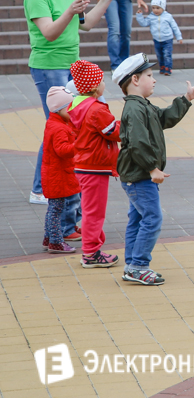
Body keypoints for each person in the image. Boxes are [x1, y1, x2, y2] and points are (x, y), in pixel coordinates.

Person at [25, 0, 121, 205]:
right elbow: (49, 32)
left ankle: (65, 182)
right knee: (59, 127)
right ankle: (40, 189)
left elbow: (86, 24)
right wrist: (70, 11)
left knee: (79, 121)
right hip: (49, 66)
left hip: (72, 66)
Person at [115, 53, 194, 286]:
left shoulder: (141, 105)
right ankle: (138, 265)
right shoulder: (135, 108)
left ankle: (132, 265)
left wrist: (186, 99)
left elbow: (163, 118)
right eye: (149, 76)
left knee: (137, 219)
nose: (154, 80)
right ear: (134, 80)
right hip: (140, 175)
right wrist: (152, 168)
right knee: (152, 218)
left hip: (136, 174)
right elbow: (138, 143)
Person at [68, 60, 121, 269]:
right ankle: (90, 252)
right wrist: (129, 123)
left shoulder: (77, 105)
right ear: (94, 86)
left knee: (91, 209)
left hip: (85, 164)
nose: (104, 84)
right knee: (94, 212)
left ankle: (94, 246)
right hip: (94, 166)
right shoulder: (96, 109)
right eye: (102, 81)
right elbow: (113, 131)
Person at [41, 86, 78, 254]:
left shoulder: (55, 123)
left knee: (53, 208)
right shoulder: (59, 128)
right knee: (56, 210)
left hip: (54, 173)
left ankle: (48, 237)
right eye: (70, 108)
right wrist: (78, 144)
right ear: (59, 109)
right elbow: (62, 150)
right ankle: (56, 242)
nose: (73, 111)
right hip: (57, 175)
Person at [134, 0, 182, 76]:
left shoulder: (168, 16)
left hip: (167, 39)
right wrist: (139, 16)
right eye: (153, 8)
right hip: (157, 40)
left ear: (163, 8)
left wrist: (179, 37)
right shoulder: (151, 17)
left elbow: (174, 27)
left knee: (167, 54)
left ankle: (168, 68)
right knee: (159, 55)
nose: (155, 10)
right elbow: (144, 23)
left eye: (158, 8)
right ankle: (162, 66)